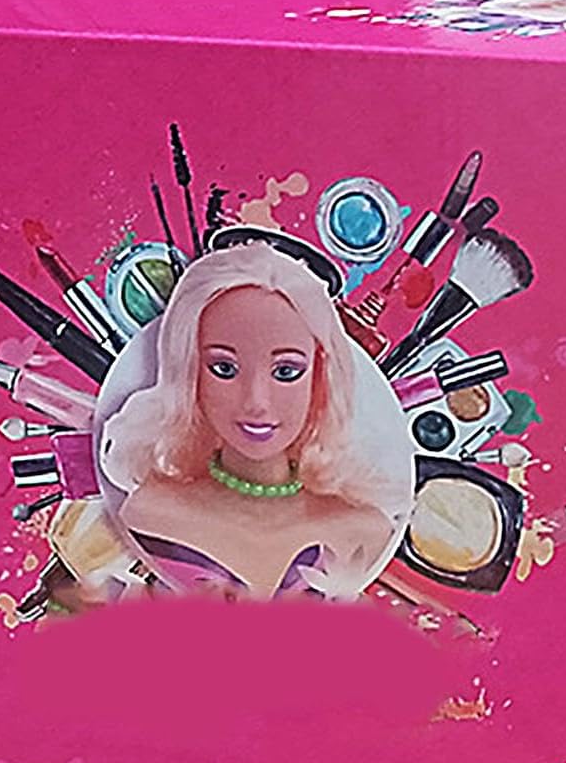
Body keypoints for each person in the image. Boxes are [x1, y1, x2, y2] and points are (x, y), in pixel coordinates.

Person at [101, 241, 396, 599]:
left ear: (320, 376)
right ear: (189, 372)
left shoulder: (365, 528)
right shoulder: (152, 511)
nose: (257, 402)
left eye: (286, 372)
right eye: (224, 369)